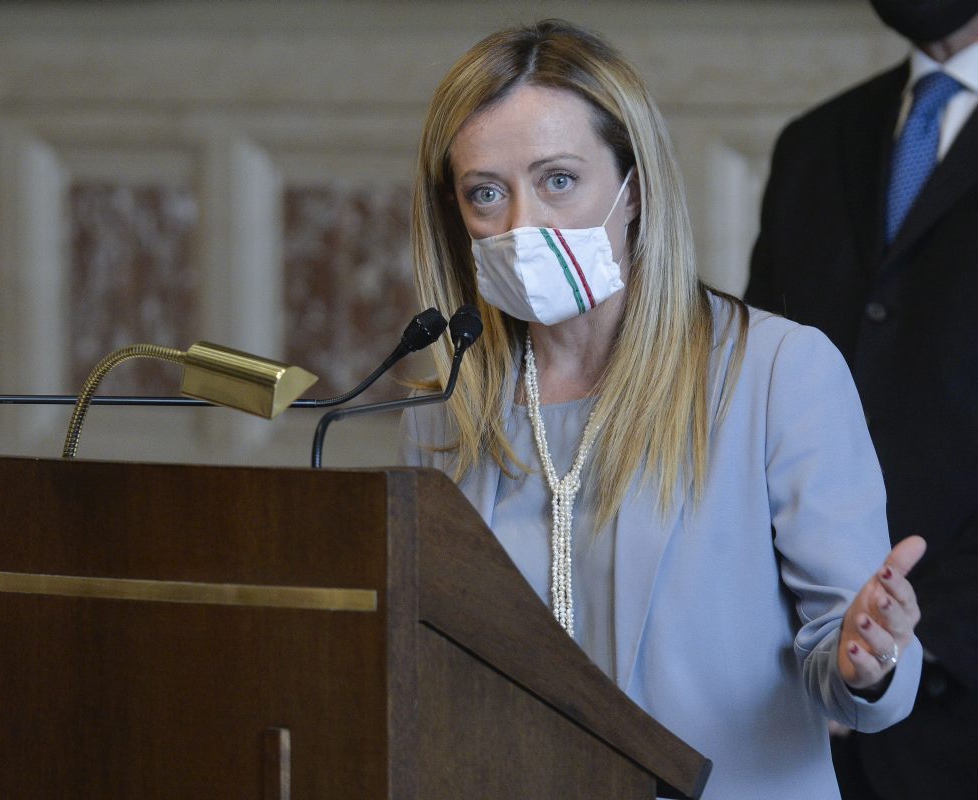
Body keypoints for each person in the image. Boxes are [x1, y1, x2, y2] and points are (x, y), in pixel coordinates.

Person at [399, 20, 926, 800]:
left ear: (635, 188)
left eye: (558, 180)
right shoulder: (444, 410)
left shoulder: (777, 371)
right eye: (486, 193)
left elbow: (850, 666)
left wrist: (869, 659)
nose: (522, 225)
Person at [746, 2, 978, 798]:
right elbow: (753, 397)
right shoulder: (816, 142)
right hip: (798, 704)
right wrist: (808, 640)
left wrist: (907, 643)